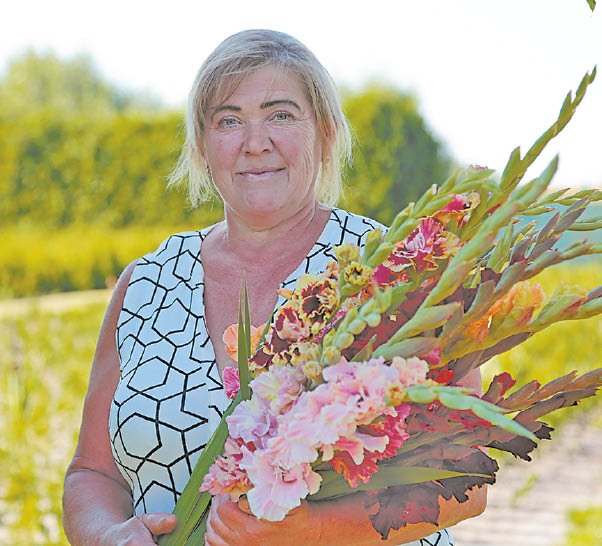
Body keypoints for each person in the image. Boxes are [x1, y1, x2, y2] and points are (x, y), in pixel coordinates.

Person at [62, 29, 486, 545]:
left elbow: (463, 477)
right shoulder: (145, 285)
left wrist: (314, 531)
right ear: (202, 144)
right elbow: (92, 472)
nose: (255, 142)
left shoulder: (393, 269)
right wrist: (106, 535)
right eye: (229, 120)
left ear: (325, 132)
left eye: (280, 115)